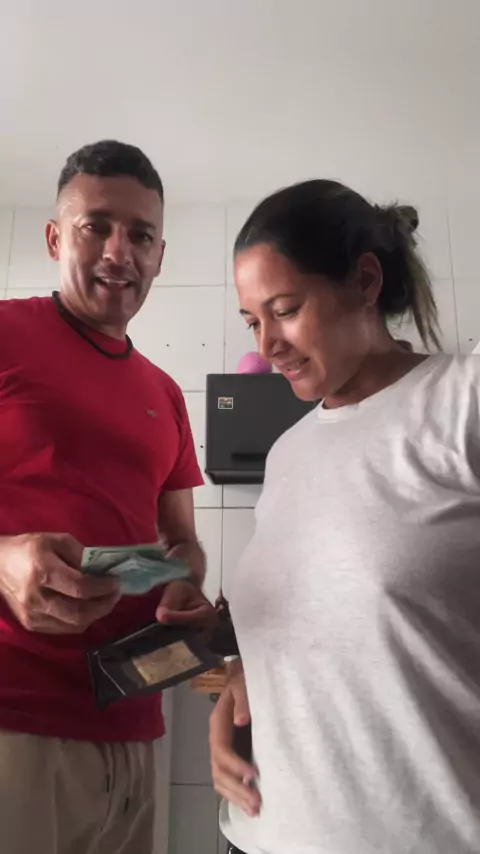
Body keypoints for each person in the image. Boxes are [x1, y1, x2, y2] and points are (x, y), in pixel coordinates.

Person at [210, 179, 480, 854]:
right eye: (252, 322)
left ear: (364, 282)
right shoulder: (287, 453)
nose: (267, 344)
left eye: (284, 310)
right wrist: (240, 685)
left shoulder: (461, 401)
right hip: (259, 836)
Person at [0, 140, 215, 854]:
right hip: (15, 721)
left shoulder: (165, 394)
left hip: (135, 721)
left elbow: (180, 542)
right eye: (97, 226)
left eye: (141, 235)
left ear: (160, 255)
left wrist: (182, 582)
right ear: (55, 237)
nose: (120, 252)